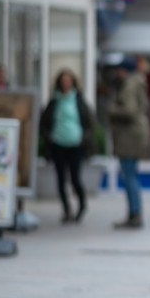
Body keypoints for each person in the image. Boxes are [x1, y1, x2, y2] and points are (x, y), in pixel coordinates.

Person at [38, 69, 96, 223]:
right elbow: (43, 123)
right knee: (61, 180)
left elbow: (90, 123)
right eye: (63, 80)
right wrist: (49, 138)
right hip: (58, 144)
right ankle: (66, 209)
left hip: (76, 144)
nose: (66, 83)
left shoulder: (78, 100)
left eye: (68, 80)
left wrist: (84, 139)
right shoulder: (54, 102)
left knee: (75, 179)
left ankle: (82, 206)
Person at [106, 56, 150, 229]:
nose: (117, 73)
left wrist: (112, 109)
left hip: (129, 136)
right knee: (132, 176)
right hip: (134, 135)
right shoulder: (137, 82)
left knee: (129, 176)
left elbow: (129, 110)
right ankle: (135, 213)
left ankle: (134, 214)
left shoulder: (130, 84)